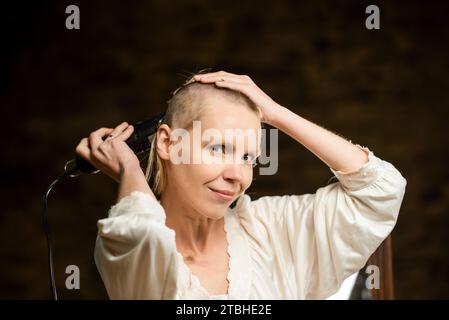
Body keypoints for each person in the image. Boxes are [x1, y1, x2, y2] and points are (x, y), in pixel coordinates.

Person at [75, 70, 407, 299]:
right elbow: (142, 232)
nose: (238, 175)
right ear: (168, 143)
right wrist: (130, 170)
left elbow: (380, 192)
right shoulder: (125, 245)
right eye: (219, 148)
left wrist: (276, 114)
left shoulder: (270, 231)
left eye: (249, 157)